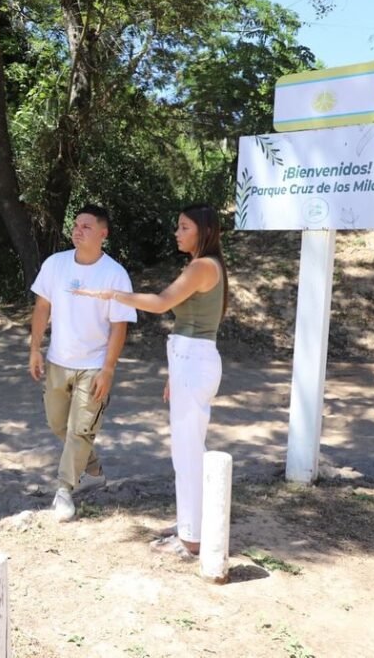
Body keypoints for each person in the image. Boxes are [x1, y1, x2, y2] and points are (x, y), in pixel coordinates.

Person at [72, 204, 228, 559]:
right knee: (189, 451)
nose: (177, 232)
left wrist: (114, 295)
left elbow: (160, 303)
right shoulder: (207, 265)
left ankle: (191, 538)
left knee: (187, 454)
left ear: (203, 231)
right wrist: (175, 374)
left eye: (184, 226)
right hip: (189, 361)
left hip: (193, 360)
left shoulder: (203, 266)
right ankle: (193, 526)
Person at [29, 204, 137, 522]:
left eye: (87, 226)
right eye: (76, 224)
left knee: (79, 430)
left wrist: (109, 369)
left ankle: (64, 489)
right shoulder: (55, 264)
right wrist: (35, 348)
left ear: (103, 234)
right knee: (57, 424)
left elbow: (120, 325)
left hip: (94, 365)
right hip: (58, 361)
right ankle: (93, 470)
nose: (78, 230)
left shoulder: (115, 274)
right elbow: (41, 307)